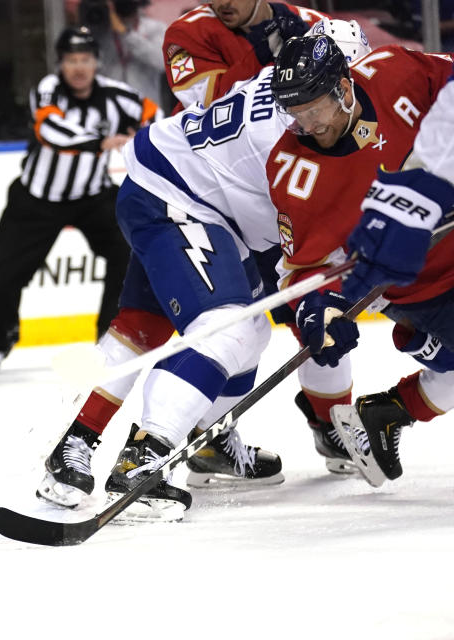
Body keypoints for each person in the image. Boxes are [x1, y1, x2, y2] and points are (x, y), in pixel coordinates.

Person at [37, 20, 373, 518]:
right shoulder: (303, 129)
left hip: (185, 190)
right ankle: (143, 459)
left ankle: (76, 445)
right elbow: (298, 249)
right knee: (229, 327)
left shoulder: (286, 84)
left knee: (150, 326)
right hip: (181, 201)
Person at [162, 5, 371, 474]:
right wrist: (262, 58)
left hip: (283, 205)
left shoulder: (310, 23)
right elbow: (202, 101)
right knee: (231, 332)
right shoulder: (188, 31)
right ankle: (190, 436)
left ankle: (331, 423)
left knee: (319, 323)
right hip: (224, 200)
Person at [266, 33, 454, 487]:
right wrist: (317, 308)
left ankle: (387, 414)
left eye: (314, 111)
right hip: (420, 284)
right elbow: (305, 269)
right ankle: (396, 407)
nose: (307, 126)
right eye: (295, 115)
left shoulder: (395, 70)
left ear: (344, 91)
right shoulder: (293, 170)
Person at [0, 26, 159, 372]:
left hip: (93, 195)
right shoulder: (47, 89)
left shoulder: (119, 96)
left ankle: (107, 337)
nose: (79, 67)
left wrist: (142, 139)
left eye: (85, 59)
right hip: (38, 198)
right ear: (60, 64)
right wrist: (100, 141)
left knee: (127, 254)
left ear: (96, 62)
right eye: (71, 60)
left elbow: (157, 120)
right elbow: (49, 129)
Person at [163, 0, 325, 110]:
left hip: (285, 137)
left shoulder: (316, 22)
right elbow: (204, 106)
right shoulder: (186, 32)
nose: (224, 3)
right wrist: (259, 57)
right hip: (204, 150)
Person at [82, 0, 167, 103]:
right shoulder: (103, 29)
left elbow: (161, 62)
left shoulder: (155, 28)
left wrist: (126, 33)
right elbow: (91, 64)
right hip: (111, 102)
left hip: (146, 103)